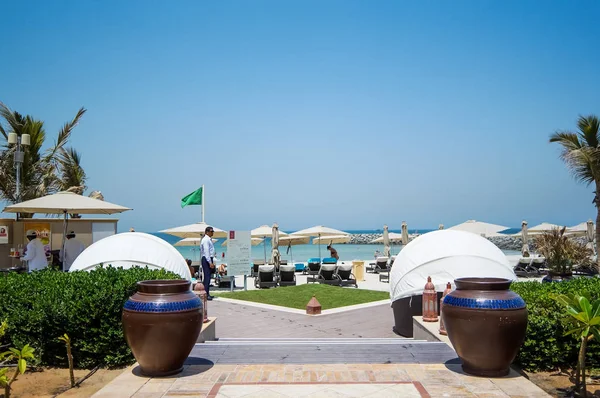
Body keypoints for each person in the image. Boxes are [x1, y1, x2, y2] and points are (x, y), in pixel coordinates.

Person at [200, 226, 216, 300]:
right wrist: (210, 262)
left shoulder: (208, 239)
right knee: (207, 277)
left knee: (208, 277)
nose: (212, 232)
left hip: (208, 258)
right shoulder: (206, 240)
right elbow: (206, 252)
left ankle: (206, 293)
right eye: (211, 231)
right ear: (207, 232)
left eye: (213, 231)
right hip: (206, 259)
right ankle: (205, 294)